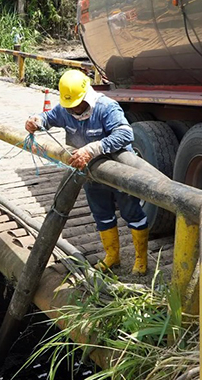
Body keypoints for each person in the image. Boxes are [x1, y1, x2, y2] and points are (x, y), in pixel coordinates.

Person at [24, 70, 149, 275]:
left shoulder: (106, 108)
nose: (73, 109)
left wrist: (92, 149)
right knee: (101, 213)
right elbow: (48, 118)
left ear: (86, 95)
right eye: (69, 106)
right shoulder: (66, 110)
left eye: (76, 105)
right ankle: (112, 256)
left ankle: (141, 260)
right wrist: (35, 120)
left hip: (118, 172)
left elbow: (125, 133)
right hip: (90, 174)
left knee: (131, 212)